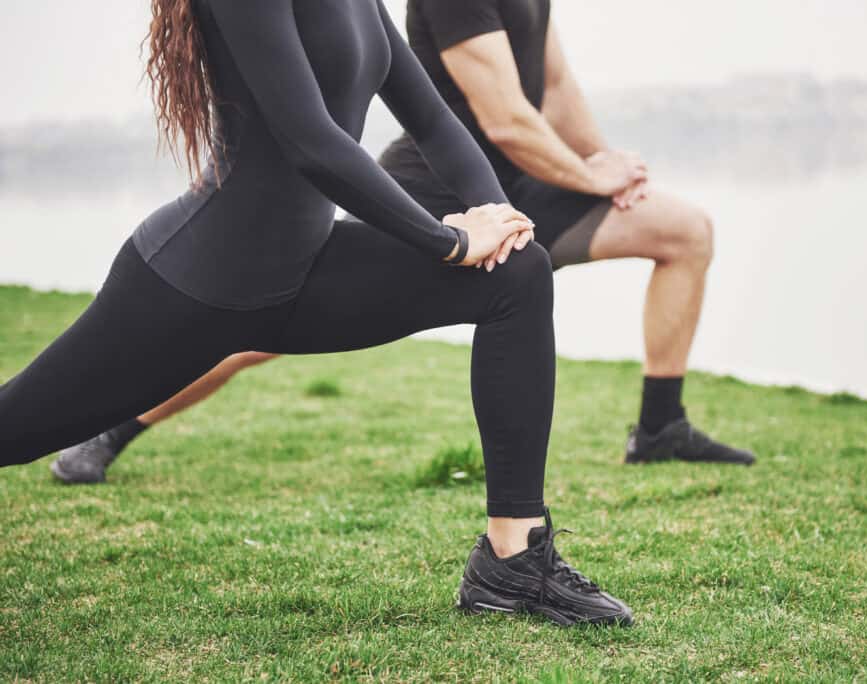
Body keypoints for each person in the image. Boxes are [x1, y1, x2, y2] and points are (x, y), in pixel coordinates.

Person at [2, 0, 631, 626]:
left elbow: (435, 121)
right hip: (193, 283)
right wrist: (452, 242)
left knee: (519, 274)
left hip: (302, 276)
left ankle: (513, 561)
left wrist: (501, 219)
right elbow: (312, 142)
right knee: (18, 430)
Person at [53, 0, 756, 484]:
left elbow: (558, 84)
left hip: (530, 183)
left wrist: (605, 170)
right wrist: (582, 174)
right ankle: (113, 429)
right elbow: (504, 117)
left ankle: (660, 429)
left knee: (684, 231)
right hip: (434, 191)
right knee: (255, 333)